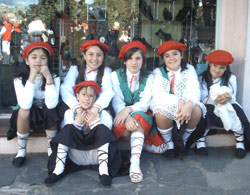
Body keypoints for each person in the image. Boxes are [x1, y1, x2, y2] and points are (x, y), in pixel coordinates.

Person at [45, 81, 124, 186]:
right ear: (77, 96)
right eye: (83, 95)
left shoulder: (103, 114)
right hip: (77, 155)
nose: (87, 99)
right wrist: (77, 124)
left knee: (102, 128)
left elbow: (107, 136)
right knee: (68, 129)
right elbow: (66, 137)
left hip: (97, 155)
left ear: (95, 99)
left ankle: (104, 172)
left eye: (91, 96)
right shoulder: (69, 113)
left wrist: (94, 122)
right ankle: (58, 170)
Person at [111, 41, 167, 183]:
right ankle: (145, 144)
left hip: (140, 115)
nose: (134, 62)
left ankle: (134, 164)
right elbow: (117, 101)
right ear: (124, 61)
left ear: (143, 60)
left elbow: (145, 103)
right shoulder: (115, 76)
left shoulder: (149, 77)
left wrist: (129, 110)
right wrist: (125, 116)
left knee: (138, 118)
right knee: (125, 131)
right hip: (121, 115)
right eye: (130, 58)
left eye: (138, 58)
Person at [7, 42, 60, 167]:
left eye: (43, 58)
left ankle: (51, 150)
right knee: (23, 111)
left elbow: (52, 104)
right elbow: (25, 104)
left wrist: (48, 78)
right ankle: (21, 151)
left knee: (51, 110)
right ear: (27, 61)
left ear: (48, 61)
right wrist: (31, 77)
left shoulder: (54, 77)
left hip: (47, 112)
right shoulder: (19, 79)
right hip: (28, 114)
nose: (38, 61)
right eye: (34, 57)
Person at [150, 40, 205, 158]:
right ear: (163, 59)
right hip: (166, 103)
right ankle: (168, 142)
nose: (171, 58)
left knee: (196, 110)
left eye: (175, 54)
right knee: (161, 113)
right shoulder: (158, 72)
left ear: (181, 55)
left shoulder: (189, 69)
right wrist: (178, 101)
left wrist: (189, 104)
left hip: (185, 105)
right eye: (167, 56)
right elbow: (158, 94)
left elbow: (194, 89)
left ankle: (183, 141)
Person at [192, 50, 250, 158]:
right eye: (215, 66)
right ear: (210, 64)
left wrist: (227, 98)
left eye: (222, 68)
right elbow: (203, 98)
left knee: (237, 110)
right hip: (210, 104)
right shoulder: (202, 79)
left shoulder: (231, 78)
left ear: (226, 68)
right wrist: (216, 101)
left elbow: (233, 96)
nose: (217, 70)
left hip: (226, 103)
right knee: (206, 111)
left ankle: (240, 143)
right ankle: (200, 142)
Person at [60, 40, 114, 130]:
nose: (95, 59)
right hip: (78, 108)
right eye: (91, 54)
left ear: (103, 57)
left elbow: (107, 92)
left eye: (99, 55)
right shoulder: (75, 70)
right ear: (84, 56)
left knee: (105, 118)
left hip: (97, 109)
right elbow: (65, 89)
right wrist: (77, 108)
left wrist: (95, 109)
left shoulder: (106, 72)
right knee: (69, 117)